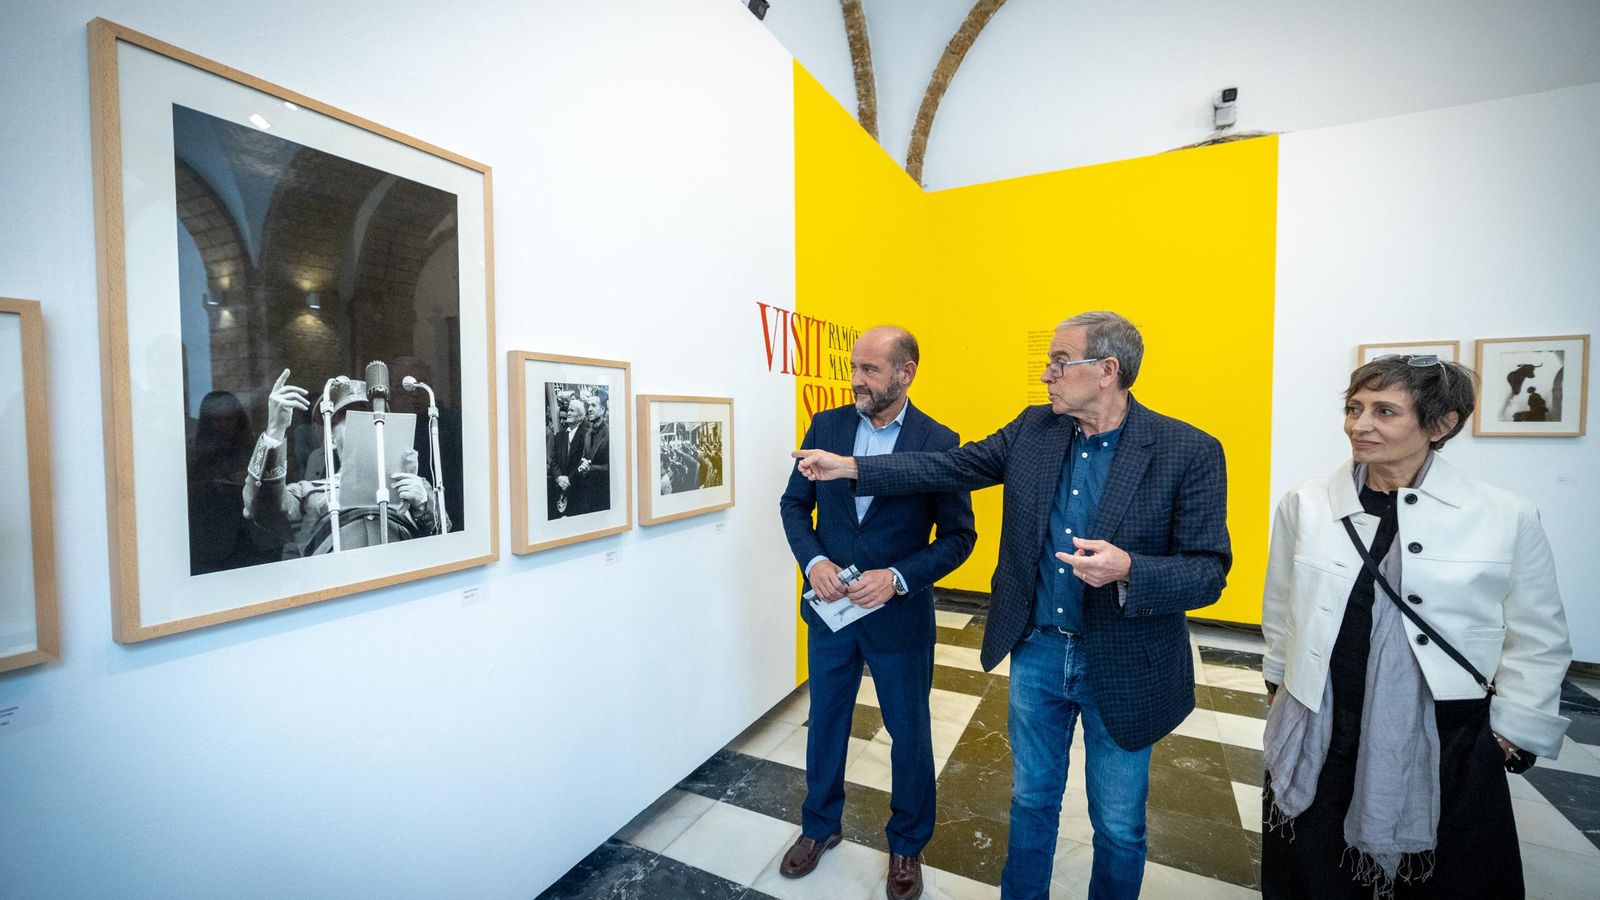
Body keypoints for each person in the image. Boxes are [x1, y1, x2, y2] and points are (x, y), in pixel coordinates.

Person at [793, 311, 1229, 899]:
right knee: (1030, 805)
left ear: (1107, 371)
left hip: (1124, 659)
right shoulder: (1033, 430)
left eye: (1057, 362)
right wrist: (851, 466)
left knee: (1120, 827)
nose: (1045, 374)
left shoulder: (1189, 450)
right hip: (1039, 653)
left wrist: (1130, 569)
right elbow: (950, 467)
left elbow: (1209, 572)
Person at [1259, 354, 1571, 898]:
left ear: (1440, 424)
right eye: (1354, 408)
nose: (1360, 425)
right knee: (1314, 876)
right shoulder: (1305, 503)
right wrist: (1278, 684)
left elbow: (1538, 636)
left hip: (1446, 738)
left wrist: (1511, 733)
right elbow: (1282, 603)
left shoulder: (1503, 514)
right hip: (1322, 726)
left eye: (1385, 411)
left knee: (1442, 880)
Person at [779, 326, 976, 900]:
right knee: (827, 724)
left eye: (869, 370)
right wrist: (813, 560)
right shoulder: (828, 427)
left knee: (909, 734)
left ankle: (908, 844)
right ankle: (819, 827)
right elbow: (795, 505)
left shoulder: (939, 441)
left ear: (905, 372)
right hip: (830, 613)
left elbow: (959, 538)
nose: (856, 380)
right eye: (854, 368)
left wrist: (896, 579)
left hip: (898, 618)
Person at [244, 368, 437, 555]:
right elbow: (264, 511)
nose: (361, 421)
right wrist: (275, 431)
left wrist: (423, 505)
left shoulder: (412, 486)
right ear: (332, 439)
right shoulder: (307, 492)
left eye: (369, 413)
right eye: (346, 416)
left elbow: (441, 535)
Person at [548, 397, 588, 518]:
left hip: (578, 489)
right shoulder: (560, 435)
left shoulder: (587, 435)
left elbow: (584, 460)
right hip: (560, 489)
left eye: (572, 411)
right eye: (568, 410)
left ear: (580, 417)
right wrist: (559, 477)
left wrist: (568, 480)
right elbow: (553, 460)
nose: (568, 413)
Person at [576, 391, 610, 514]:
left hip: (603, 498)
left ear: (602, 410)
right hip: (586, 497)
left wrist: (591, 468)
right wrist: (582, 466)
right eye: (589, 405)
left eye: (593, 406)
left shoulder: (610, 434)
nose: (589, 409)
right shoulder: (588, 434)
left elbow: (611, 468)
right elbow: (584, 458)